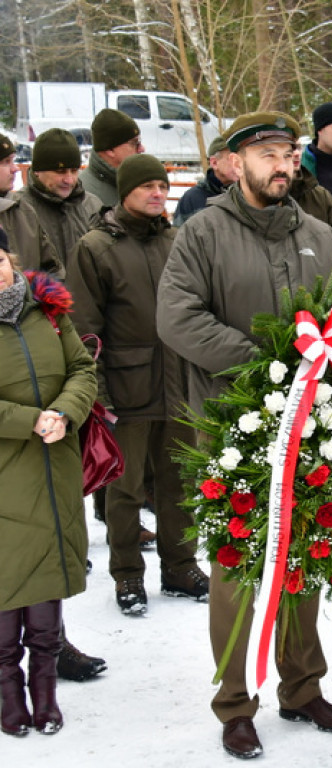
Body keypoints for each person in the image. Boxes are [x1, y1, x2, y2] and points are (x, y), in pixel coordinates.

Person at [156, 112, 332, 759]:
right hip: (231, 433)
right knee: (239, 570)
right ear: (235, 160)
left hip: (309, 434)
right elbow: (177, 317)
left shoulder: (323, 237)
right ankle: (235, 704)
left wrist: (328, 383)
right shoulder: (202, 235)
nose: (282, 164)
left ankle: (302, 689)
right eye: (268, 152)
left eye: (288, 152)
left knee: (303, 560)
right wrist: (262, 364)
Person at [65, 154, 208, 617]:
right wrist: (96, 395)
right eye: (146, 185)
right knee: (124, 491)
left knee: (179, 483)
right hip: (124, 390)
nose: (157, 193)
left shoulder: (177, 240)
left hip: (178, 385)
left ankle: (181, 566)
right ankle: (127, 575)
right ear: (124, 191)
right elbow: (83, 329)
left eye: (162, 186)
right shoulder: (96, 247)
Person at [7, 128, 108, 683]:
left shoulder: (18, 219)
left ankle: (54, 644)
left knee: (43, 529)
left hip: (42, 371)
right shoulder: (21, 206)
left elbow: (48, 274)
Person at [0, 237, 97, 736]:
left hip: (55, 465)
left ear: (9, 259)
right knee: (6, 582)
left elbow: (82, 368)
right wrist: (30, 420)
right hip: (7, 472)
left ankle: (45, 691)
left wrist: (66, 411)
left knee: (46, 581)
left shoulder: (48, 311)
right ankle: (8, 694)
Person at [13, 129, 103, 272]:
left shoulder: (92, 205)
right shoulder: (17, 210)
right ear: (37, 170)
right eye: (60, 172)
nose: (69, 180)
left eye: (74, 171)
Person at [0, 135, 62, 277]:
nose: (14, 169)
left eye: (13, 160)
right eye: (5, 162)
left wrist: (53, 297)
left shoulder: (22, 208)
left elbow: (52, 267)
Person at [80, 109, 145, 207]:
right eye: (134, 143)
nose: (142, 149)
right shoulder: (81, 195)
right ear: (110, 150)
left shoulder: (140, 183)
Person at [173, 136, 238, 226]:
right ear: (214, 163)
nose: (237, 163)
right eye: (231, 159)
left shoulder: (249, 195)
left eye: (240, 157)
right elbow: (180, 236)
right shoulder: (192, 199)